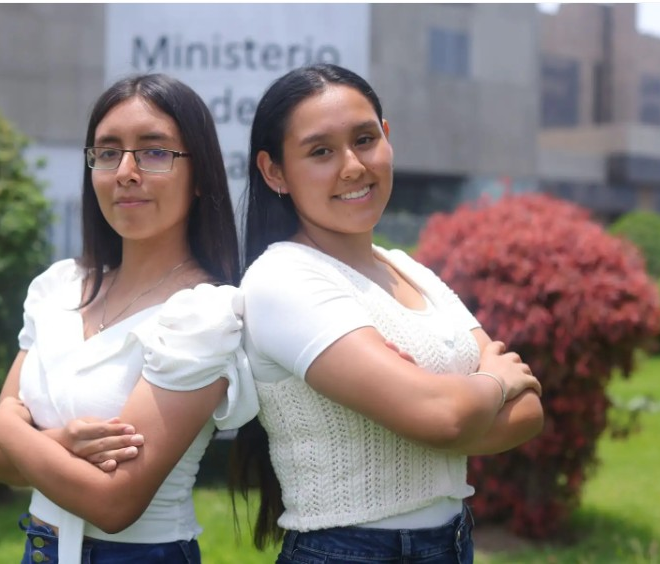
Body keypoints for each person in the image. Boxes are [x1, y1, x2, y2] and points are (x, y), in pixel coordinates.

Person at [231, 63, 544, 563]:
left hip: (451, 543)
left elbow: (527, 412)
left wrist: (443, 411)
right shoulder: (281, 280)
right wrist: (491, 383)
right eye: (320, 152)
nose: (353, 166)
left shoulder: (409, 269)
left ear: (387, 137)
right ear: (274, 172)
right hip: (346, 551)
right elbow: (444, 416)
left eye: (365, 139)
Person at [0, 73, 257, 564]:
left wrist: (9, 425)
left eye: (154, 152)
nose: (126, 171)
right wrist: (59, 442)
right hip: (38, 550)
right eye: (108, 152)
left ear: (200, 177)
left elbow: (113, 502)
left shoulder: (204, 315)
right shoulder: (60, 287)